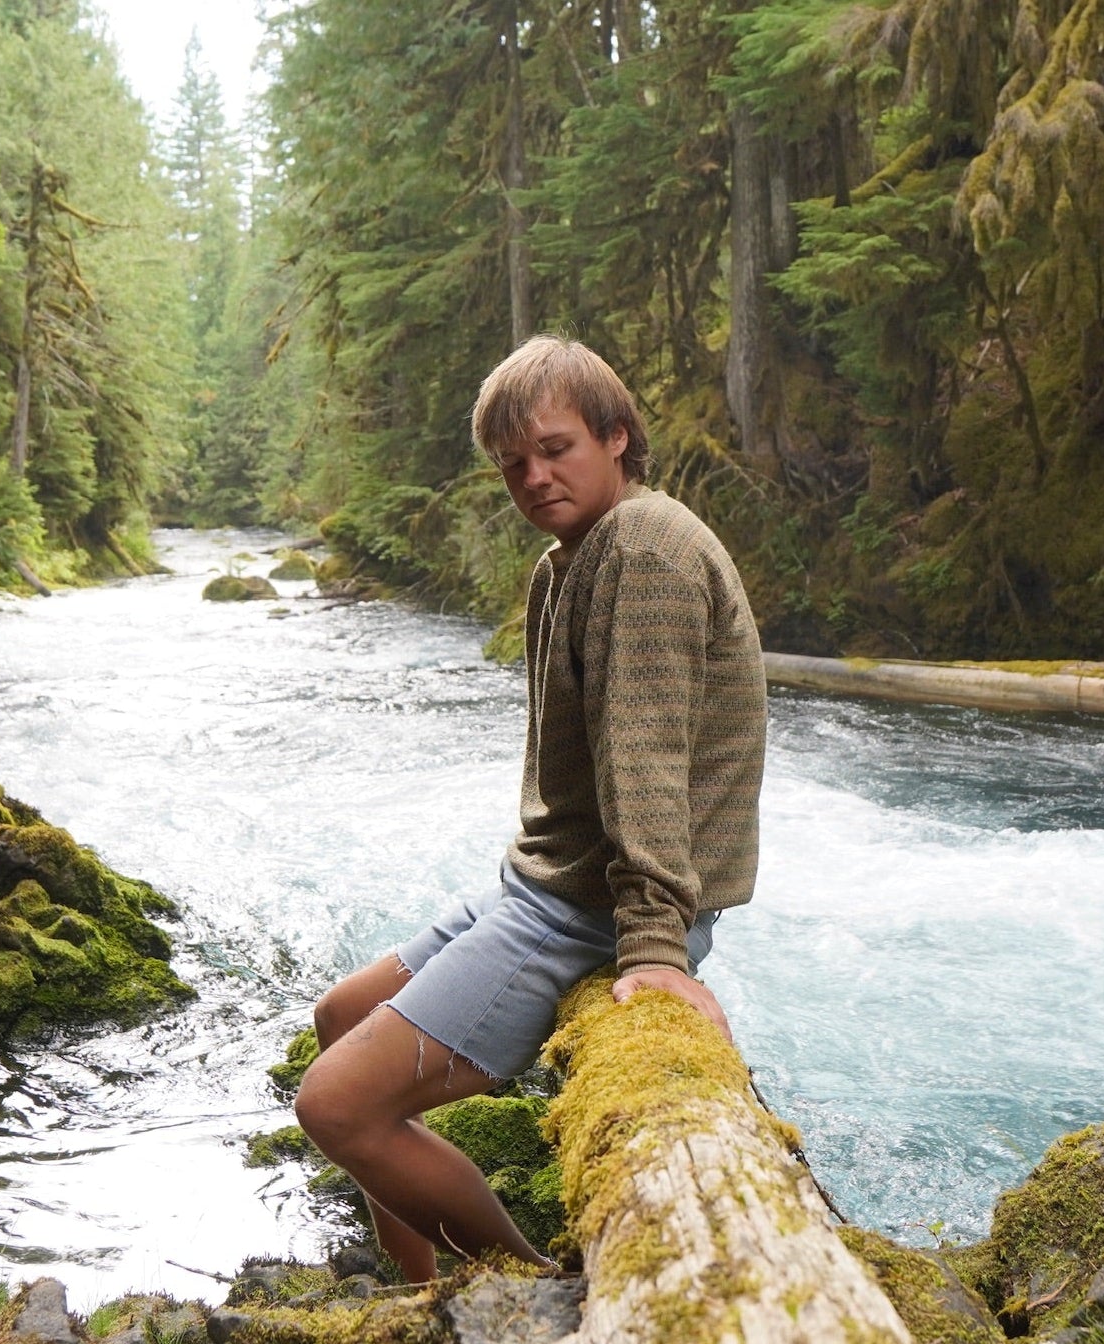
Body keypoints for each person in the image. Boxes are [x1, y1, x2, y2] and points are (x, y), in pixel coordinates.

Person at [292, 335, 767, 1281]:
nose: (535, 476)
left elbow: (647, 759)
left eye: (557, 448)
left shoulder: (645, 549)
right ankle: (420, 1287)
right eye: (514, 463)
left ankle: (525, 1288)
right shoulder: (568, 561)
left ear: (617, 436)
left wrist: (658, 949)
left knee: (334, 1106)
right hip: (542, 888)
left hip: (589, 915)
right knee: (340, 1015)